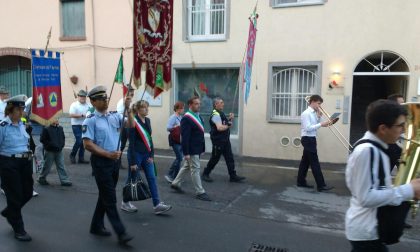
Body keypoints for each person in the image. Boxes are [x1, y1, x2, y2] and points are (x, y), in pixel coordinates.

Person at [345, 99, 420, 252]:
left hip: (369, 231)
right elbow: (366, 197)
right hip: (366, 233)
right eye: (400, 125)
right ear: (383, 128)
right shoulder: (367, 151)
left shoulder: (376, 149)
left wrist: (406, 191)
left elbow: (374, 188)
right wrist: (408, 190)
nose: (403, 130)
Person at [82, 85, 133, 245]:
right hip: (101, 162)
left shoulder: (114, 116)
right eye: (101, 99)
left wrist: (128, 109)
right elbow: (88, 144)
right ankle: (121, 232)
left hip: (114, 162)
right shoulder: (90, 120)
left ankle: (96, 225)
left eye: (106, 98)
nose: (105, 101)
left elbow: (131, 125)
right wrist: (107, 154)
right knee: (110, 198)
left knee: (104, 195)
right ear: (93, 101)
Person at [121, 100, 172, 214]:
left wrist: (152, 155)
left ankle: (157, 204)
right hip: (136, 155)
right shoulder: (133, 121)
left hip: (146, 155)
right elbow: (132, 143)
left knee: (152, 178)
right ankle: (125, 202)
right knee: (132, 179)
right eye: (144, 108)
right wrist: (133, 162)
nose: (147, 109)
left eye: (147, 107)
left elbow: (149, 138)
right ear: (138, 110)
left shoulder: (148, 120)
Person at [0, 95, 35, 241]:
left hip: (25, 163)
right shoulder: (2, 127)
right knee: (15, 196)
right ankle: (18, 229)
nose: (21, 112)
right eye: (18, 109)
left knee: (27, 192)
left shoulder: (24, 124)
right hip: (9, 163)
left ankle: (10, 212)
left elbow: (29, 143)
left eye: (22, 109)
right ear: (10, 110)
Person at [171, 97, 211, 201]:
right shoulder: (187, 118)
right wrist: (186, 153)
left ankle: (175, 183)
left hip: (197, 147)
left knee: (187, 166)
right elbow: (185, 137)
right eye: (196, 104)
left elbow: (199, 134)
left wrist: (202, 148)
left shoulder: (198, 116)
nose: (199, 105)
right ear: (190, 105)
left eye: (199, 103)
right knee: (195, 169)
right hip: (191, 149)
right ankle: (200, 191)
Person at [202, 98, 245, 183]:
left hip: (225, 140)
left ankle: (233, 176)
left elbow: (225, 124)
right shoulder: (215, 114)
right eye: (221, 103)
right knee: (215, 158)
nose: (223, 104)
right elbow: (220, 127)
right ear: (216, 104)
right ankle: (205, 174)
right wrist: (228, 125)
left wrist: (230, 119)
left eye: (223, 102)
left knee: (230, 158)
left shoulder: (220, 113)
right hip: (218, 141)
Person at [296, 94, 334, 192]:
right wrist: (321, 123)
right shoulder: (306, 113)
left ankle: (301, 182)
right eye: (318, 103)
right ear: (312, 102)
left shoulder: (314, 113)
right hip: (307, 138)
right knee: (315, 163)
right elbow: (307, 128)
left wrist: (323, 119)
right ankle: (321, 185)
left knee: (305, 162)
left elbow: (320, 125)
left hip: (312, 138)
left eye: (320, 104)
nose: (319, 106)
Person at [37, 117, 72, 186]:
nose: (57, 120)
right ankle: (41, 178)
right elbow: (43, 139)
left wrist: (62, 145)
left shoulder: (60, 128)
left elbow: (63, 137)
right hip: (50, 151)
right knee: (47, 166)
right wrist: (50, 145)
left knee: (61, 165)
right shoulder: (46, 129)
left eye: (57, 119)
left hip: (59, 150)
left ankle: (64, 180)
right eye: (55, 119)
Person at [165, 101, 185, 183]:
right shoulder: (173, 117)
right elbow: (168, 128)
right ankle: (171, 176)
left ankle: (173, 176)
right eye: (182, 108)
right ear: (177, 109)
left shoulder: (180, 117)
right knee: (180, 158)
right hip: (174, 140)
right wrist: (176, 126)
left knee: (178, 158)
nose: (183, 109)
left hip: (180, 140)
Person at [69, 89, 91, 164]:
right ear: (78, 97)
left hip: (84, 125)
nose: (82, 98)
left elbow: (92, 111)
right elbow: (71, 115)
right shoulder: (74, 105)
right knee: (79, 141)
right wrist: (82, 115)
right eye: (81, 96)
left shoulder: (88, 105)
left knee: (83, 142)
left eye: (84, 96)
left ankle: (81, 158)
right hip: (76, 125)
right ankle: (72, 155)